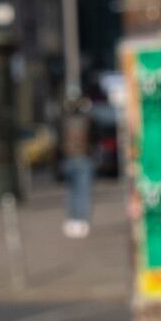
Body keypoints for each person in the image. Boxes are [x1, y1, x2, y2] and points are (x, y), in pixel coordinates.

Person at [60, 99, 98, 239]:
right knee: (83, 191)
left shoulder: (65, 122)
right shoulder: (88, 121)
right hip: (83, 158)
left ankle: (73, 219)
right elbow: (95, 138)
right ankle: (81, 220)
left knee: (72, 191)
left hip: (70, 158)